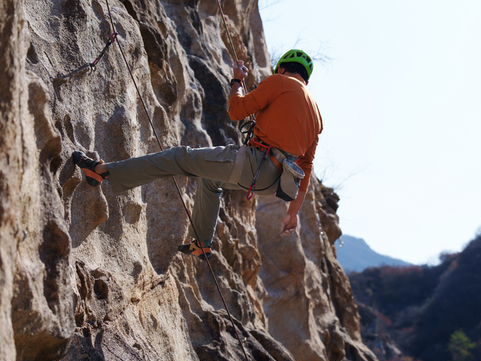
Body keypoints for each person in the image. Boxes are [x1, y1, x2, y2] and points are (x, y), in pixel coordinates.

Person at [73, 49, 323, 260]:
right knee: (211, 181)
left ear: (281, 69)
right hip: (273, 183)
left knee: (178, 157)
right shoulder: (317, 116)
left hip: (253, 164)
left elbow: (236, 111)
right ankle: (202, 243)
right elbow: (307, 167)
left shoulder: (279, 82)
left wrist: (236, 82)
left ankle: (103, 172)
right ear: (307, 81)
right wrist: (293, 212)